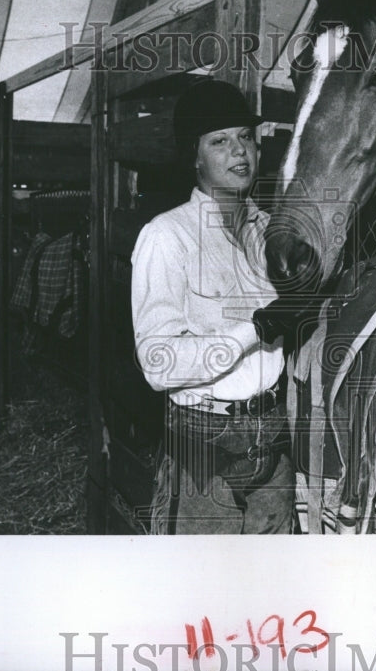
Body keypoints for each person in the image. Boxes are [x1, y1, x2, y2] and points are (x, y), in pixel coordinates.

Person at [131, 78, 293, 534]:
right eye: (220, 141)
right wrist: (253, 331)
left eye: (246, 137)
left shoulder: (270, 232)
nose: (239, 152)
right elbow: (157, 364)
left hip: (274, 435)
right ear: (194, 157)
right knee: (209, 587)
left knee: (272, 588)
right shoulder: (167, 237)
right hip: (206, 439)